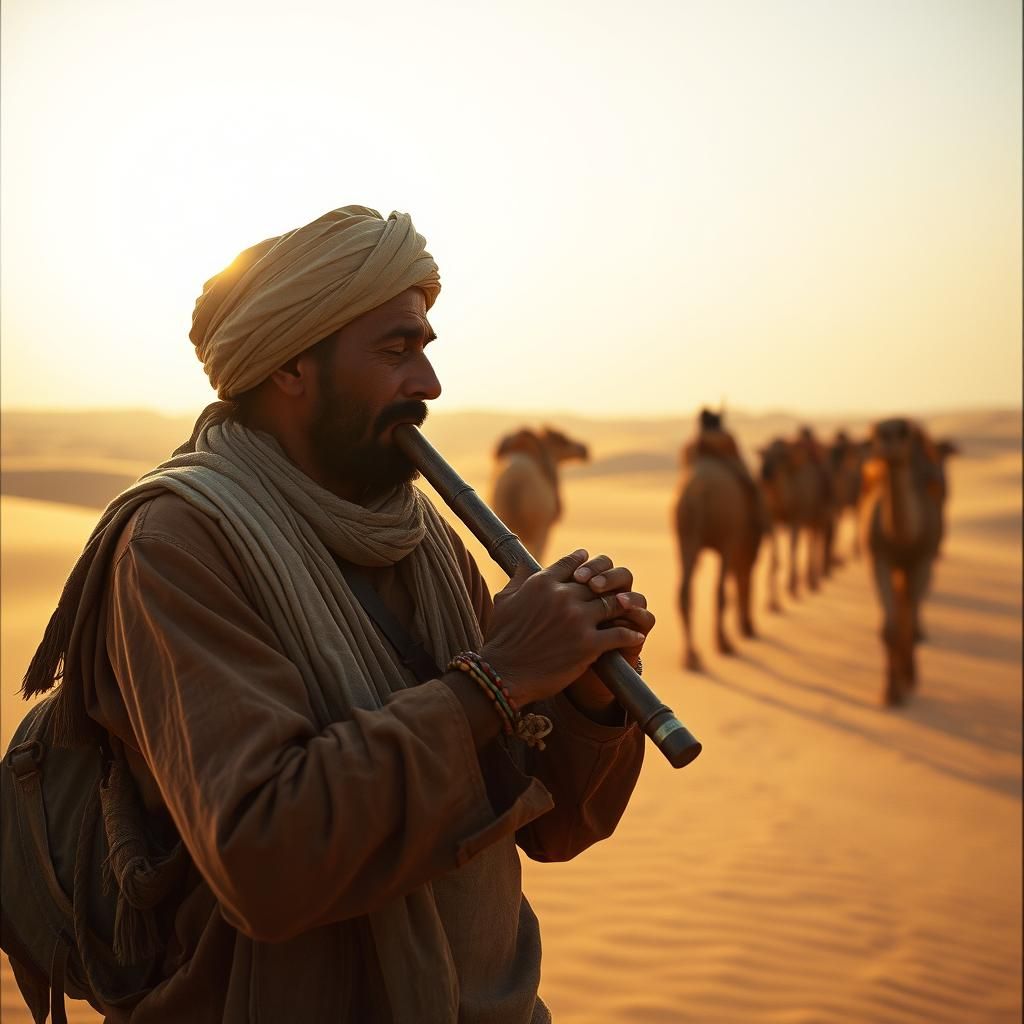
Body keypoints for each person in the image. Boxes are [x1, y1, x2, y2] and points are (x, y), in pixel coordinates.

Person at [20, 206, 651, 1023]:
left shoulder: (424, 538)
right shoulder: (176, 546)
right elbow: (262, 858)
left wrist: (587, 695)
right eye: (395, 350)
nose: (428, 383)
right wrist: (496, 680)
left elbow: (552, 825)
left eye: (425, 348)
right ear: (291, 365)